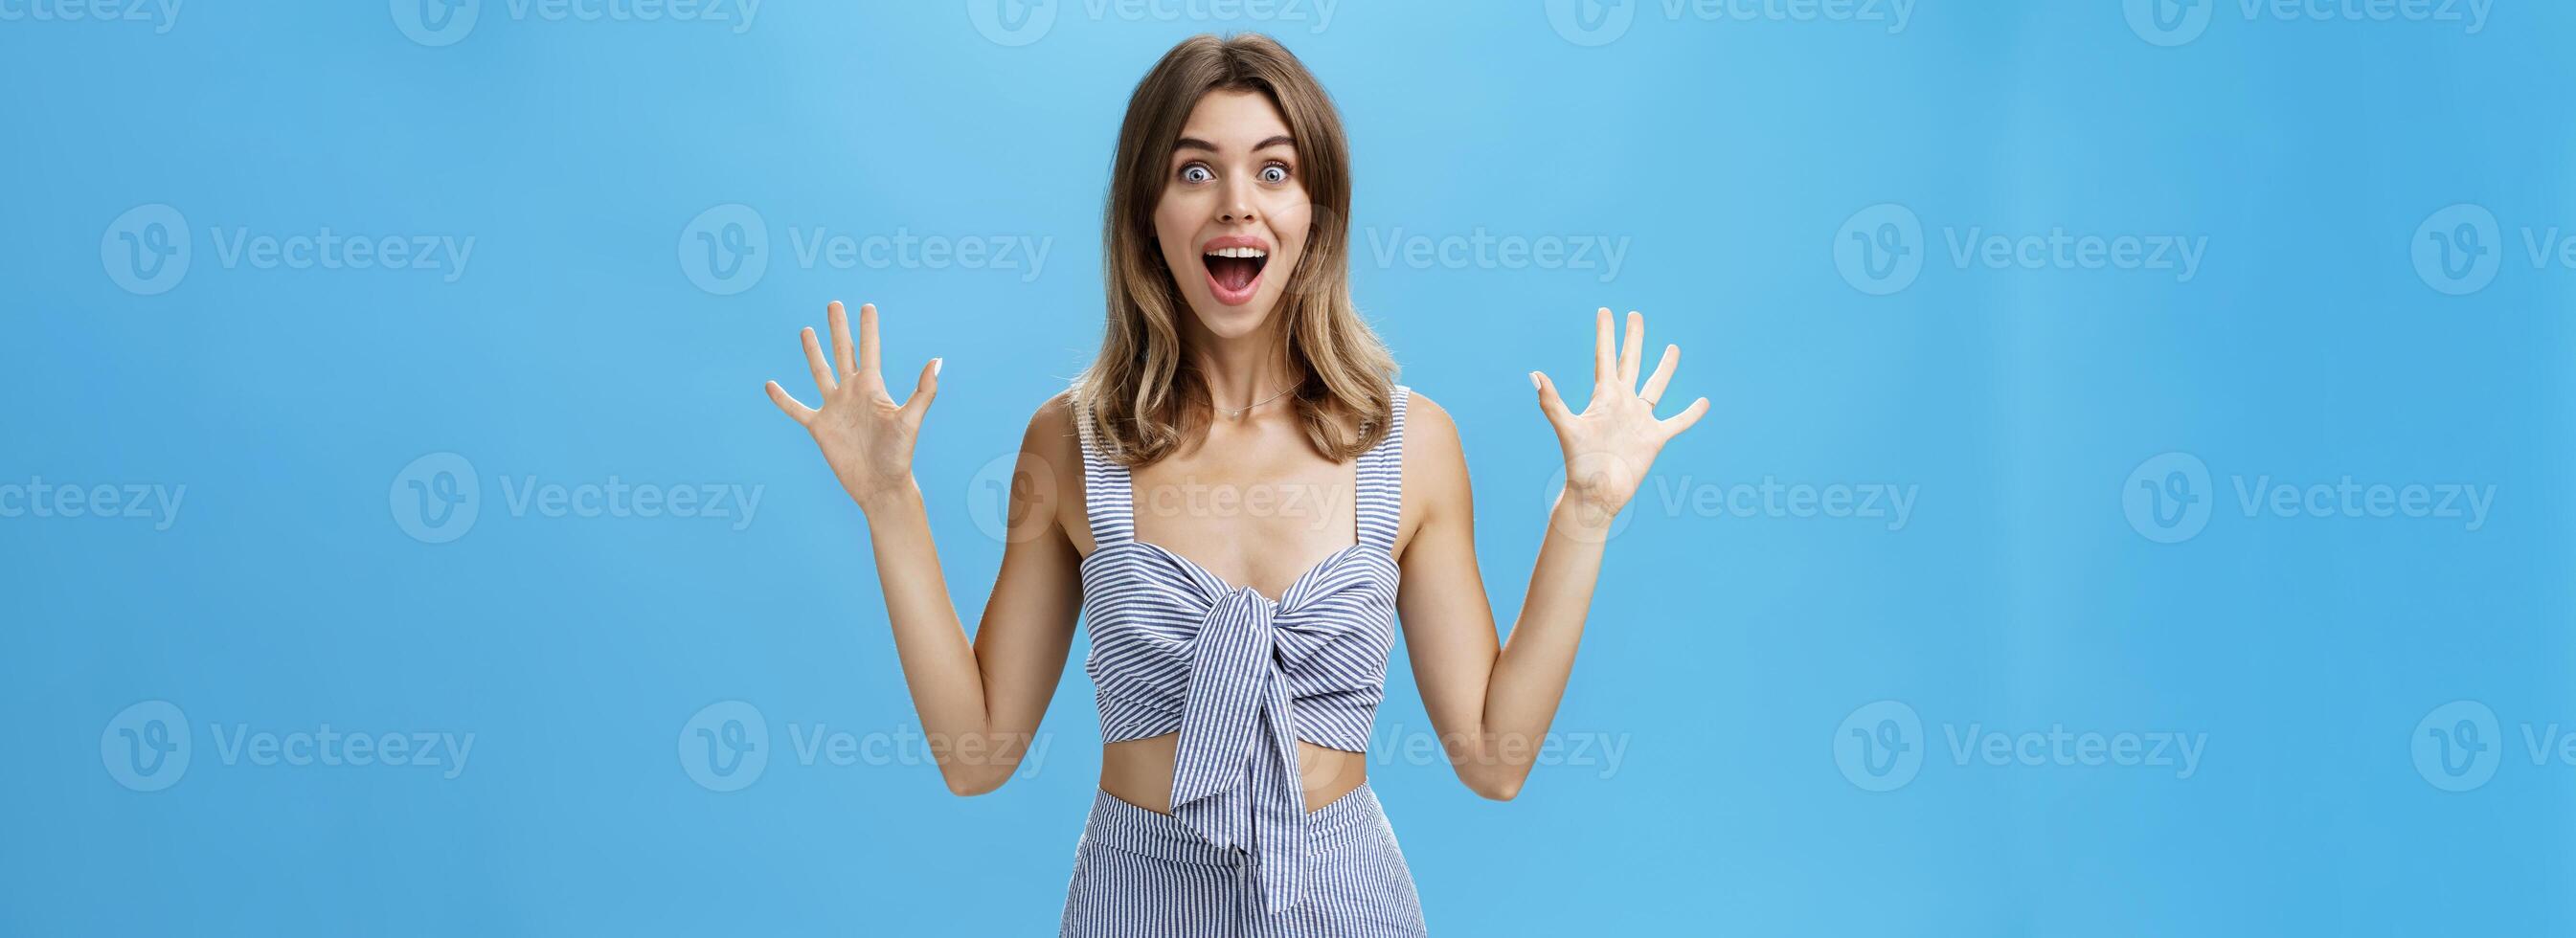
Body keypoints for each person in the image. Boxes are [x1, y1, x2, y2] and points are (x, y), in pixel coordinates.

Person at [761, 32, 1706, 936]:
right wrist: (890, 504)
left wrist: (1583, 511)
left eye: (1273, 168)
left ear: (1315, 212)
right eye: (1193, 169)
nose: (1235, 205)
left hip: (1344, 899)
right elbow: (977, 755)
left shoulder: (1411, 443)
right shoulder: (1068, 441)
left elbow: (1493, 759)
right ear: (1146, 212)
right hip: (1136, 897)